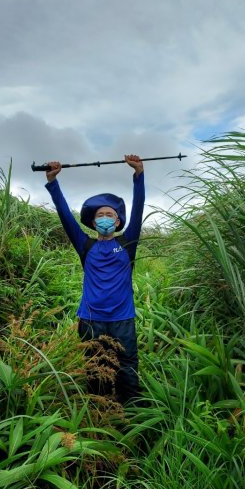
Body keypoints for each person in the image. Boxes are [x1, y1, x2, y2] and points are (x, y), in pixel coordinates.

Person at [45, 155, 145, 405]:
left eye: (110, 214)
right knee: (94, 372)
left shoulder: (127, 243)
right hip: (91, 320)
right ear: (93, 222)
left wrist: (139, 174)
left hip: (122, 319)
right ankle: (99, 417)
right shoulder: (85, 245)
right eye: (100, 214)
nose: (105, 218)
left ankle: (131, 418)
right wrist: (53, 182)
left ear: (118, 221)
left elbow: (139, 206)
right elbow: (65, 217)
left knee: (127, 371)